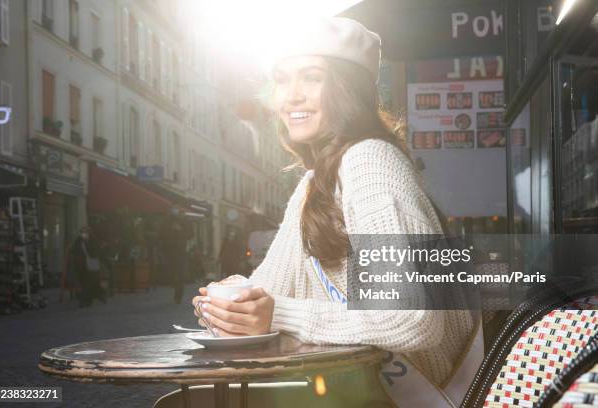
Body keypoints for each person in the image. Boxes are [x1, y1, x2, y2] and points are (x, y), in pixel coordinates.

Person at [158, 17, 480, 408]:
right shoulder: (316, 182)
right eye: (281, 80)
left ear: (349, 90)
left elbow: (413, 319)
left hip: (413, 396)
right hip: (357, 390)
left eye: (310, 78)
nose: (290, 96)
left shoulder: (370, 162)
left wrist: (274, 314)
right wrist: (229, 306)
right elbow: (268, 293)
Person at [159, 206, 189, 304]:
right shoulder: (166, 221)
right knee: (171, 272)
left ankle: (178, 296)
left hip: (180, 251)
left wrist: (181, 230)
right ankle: (174, 284)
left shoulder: (184, 221)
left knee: (180, 274)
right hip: (169, 251)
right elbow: (161, 234)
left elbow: (191, 234)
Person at [70, 226, 106, 307]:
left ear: (89, 233)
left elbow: (96, 253)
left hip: (92, 265)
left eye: (86, 232)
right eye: (83, 232)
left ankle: (96, 295)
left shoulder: (93, 241)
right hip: (81, 266)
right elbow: (75, 253)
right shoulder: (78, 241)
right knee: (83, 277)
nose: (84, 234)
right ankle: (88, 298)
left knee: (94, 276)